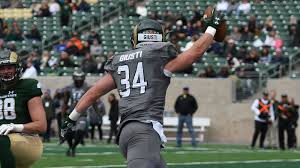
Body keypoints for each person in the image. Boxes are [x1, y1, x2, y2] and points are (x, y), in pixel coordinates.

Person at [61, 11, 224, 167]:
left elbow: (92, 94)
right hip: (144, 131)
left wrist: (70, 119)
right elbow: (194, 53)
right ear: (161, 38)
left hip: (126, 132)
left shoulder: (121, 61)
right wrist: (212, 27)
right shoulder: (160, 59)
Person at [0, 50, 47, 168]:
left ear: (17, 68)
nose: (6, 72)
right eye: (2, 68)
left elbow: (41, 126)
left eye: (9, 68)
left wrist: (15, 127)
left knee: (1, 139)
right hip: (6, 144)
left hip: (28, 140)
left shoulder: (28, 86)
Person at [62, 70, 97, 156]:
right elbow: (65, 102)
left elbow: (93, 100)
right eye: (77, 79)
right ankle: (71, 148)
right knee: (68, 132)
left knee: (80, 130)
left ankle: (73, 148)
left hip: (82, 113)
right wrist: (63, 114)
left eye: (80, 79)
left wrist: (97, 112)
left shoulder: (87, 87)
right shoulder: (69, 88)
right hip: (72, 113)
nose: (78, 81)